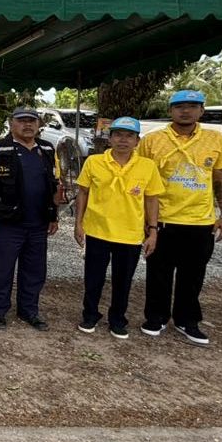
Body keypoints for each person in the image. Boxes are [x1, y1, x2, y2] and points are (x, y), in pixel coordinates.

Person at [138, 90, 222, 345]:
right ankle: (156, 317)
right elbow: (141, 178)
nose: (185, 111)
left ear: (201, 111)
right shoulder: (152, 140)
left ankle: (187, 320)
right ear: (170, 111)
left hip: (200, 221)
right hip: (163, 218)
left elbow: (221, 180)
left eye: (192, 106)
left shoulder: (215, 139)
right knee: (158, 272)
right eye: (179, 106)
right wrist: (145, 221)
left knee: (193, 275)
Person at [75, 116, 163, 339]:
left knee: (123, 280)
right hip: (97, 230)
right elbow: (83, 192)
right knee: (93, 277)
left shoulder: (147, 166)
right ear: (110, 139)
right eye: (118, 135)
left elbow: (152, 199)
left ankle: (117, 319)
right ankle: (90, 315)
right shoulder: (94, 162)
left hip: (130, 233)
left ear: (137, 141)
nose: (123, 140)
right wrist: (78, 223)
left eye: (129, 136)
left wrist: (153, 230)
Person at [0, 106, 61, 331]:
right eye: (22, 120)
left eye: (32, 121)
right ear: (11, 124)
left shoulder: (47, 149)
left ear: (39, 125)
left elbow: (55, 184)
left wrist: (54, 216)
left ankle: (29, 310)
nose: (27, 125)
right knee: (2, 270)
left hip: (38, 224)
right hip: (7, 223)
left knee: (34, 271)